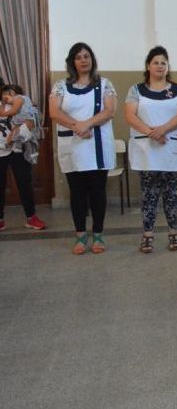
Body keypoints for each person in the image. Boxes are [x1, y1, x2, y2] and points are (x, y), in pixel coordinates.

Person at [49, 43, 117, 253]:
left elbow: (110, 110)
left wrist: (85, 124)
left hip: (96, 145)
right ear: (72, 62)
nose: (83, 60)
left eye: (87, 56)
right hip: (72, 145)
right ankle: (80, 236)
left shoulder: (105, 84)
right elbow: (54, 111)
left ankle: (98, 235)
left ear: (92, 59)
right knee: (76, 192)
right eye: (78, 57)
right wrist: (76, 127)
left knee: (97, 191)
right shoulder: (60, 86)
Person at [125, 46, 177, 253]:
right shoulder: (136, 90)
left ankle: (173, 233)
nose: (160, 66)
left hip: (171, 147)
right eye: (156, 62)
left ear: (167, 66)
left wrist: (162, 129)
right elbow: (130, 115)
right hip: (147, 149)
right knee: (148, 194)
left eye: (163, 62)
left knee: (171, 193)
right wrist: (151, 132)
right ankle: (147, 235)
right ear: (148, 66)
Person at [0, 79, 46, 232]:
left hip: (19, 149)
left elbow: (33, 121)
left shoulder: (21, 103)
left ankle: (31, 217)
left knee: (25, 183)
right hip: (0, 151)